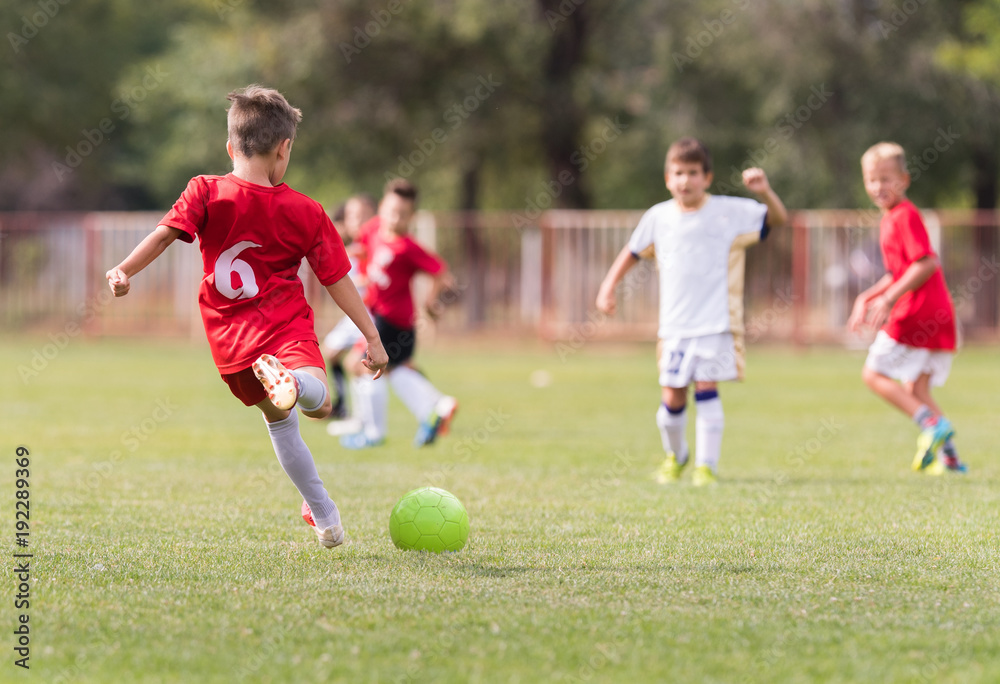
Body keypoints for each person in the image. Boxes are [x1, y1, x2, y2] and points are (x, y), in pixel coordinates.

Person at [105, 85, 389, 549]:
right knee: (318, 404)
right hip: (284, 328)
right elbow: (338, 279)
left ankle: (324, 515)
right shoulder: (306, 211)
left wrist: (123, 270)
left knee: (281, 422)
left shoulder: (205, 190)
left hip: (230, 342)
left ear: (230, 146)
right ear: (285, 147)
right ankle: (298, 387)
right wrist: (372, 339)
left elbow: (161, 236)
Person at [596, 137, 788, 486]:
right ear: (668, 178)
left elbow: (777, 219)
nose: (686, 180)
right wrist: (607, 287)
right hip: (674, 327)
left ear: (707, 177)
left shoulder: (728, 212)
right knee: (671, 397)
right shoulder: (658, 217)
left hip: (716, 323)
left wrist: (765, 192)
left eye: (693, 173)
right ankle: (676, 456)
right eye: (678, 173)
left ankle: (706, 466)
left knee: (706, 388)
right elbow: (632, 251)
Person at [847, 142, 964, 474]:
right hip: (938, 312)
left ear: (904, 180)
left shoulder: (903, 216)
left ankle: (931, 424)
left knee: (872, 374)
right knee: (916, 388)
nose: (878, 187)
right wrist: (866, 297)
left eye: (886, 179)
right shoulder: (890, 218)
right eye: (872, 180)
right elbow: (899, 271)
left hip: (918, 310)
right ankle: (951, 459)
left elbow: (925, 263)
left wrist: (887, 298)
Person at [340, 178, 458, 449]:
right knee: (395, 371)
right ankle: (435, 408)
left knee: (360, 366)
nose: (395, 218)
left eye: (402, 214)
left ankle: (373, 432)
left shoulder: (408, 248)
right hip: (386, 319)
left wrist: (430, 303)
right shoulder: (372, 229)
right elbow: (364, 252)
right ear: (382, 207)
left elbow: (440, 272)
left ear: (412, 216)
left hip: (392, 321)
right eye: (391, 211)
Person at [322, 193, 377, 433]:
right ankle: (346, 409)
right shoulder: (352, 248)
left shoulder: (370, 246)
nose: (357, 220)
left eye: (362, 215)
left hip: (369, 313)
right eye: (353, 216)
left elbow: (376, 277)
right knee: (334, 353)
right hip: (356, 314)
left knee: (357, 363)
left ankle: (359, 420)